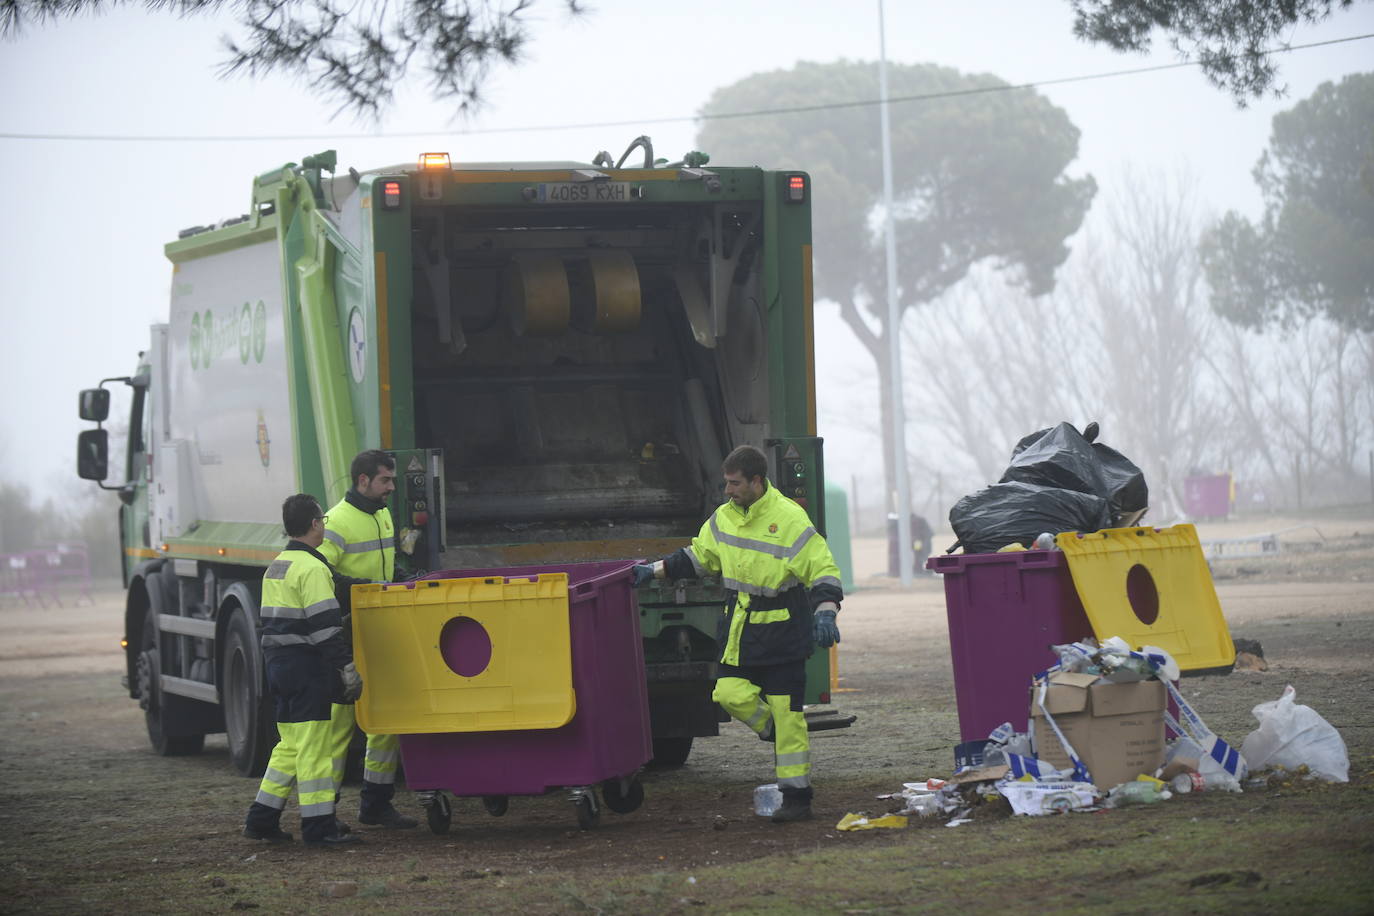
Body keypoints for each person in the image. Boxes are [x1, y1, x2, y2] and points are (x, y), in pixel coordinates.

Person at [633, 445, 843, 823]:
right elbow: (698, 558)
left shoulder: (790, 518)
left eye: (734, 484)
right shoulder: (723, 518)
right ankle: (776, 731)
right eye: (726, 483)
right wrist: (655, 570)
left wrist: (826, 612)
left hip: (783, 634)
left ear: (756, 482)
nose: (728, 491)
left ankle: (798, 799)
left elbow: (822, 569)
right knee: (728, 694)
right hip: (740, 630)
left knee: (788, 713)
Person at [243, 494, 364, 847]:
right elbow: (326, 629)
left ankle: (261, 819)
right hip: (306, 669)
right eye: (322, 520)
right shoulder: (312, 569)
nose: (324, 525)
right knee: (314, 750)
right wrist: (346, 667)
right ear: (315, 524)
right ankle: (318, 827)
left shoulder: (278, 565)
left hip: (279, 667)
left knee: (290, 748)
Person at [318, 449, 418, 830]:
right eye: (385, 481)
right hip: (348, 632)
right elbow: (320, 572)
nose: (392, 487)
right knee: (340, 725)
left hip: (382, 628)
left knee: (385, 719)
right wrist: (363, 591)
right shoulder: (336, 522)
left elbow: (387, 563)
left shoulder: (382, 514)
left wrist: (403, 576)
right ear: (363, 481)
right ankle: (322, 811)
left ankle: (376, 803)